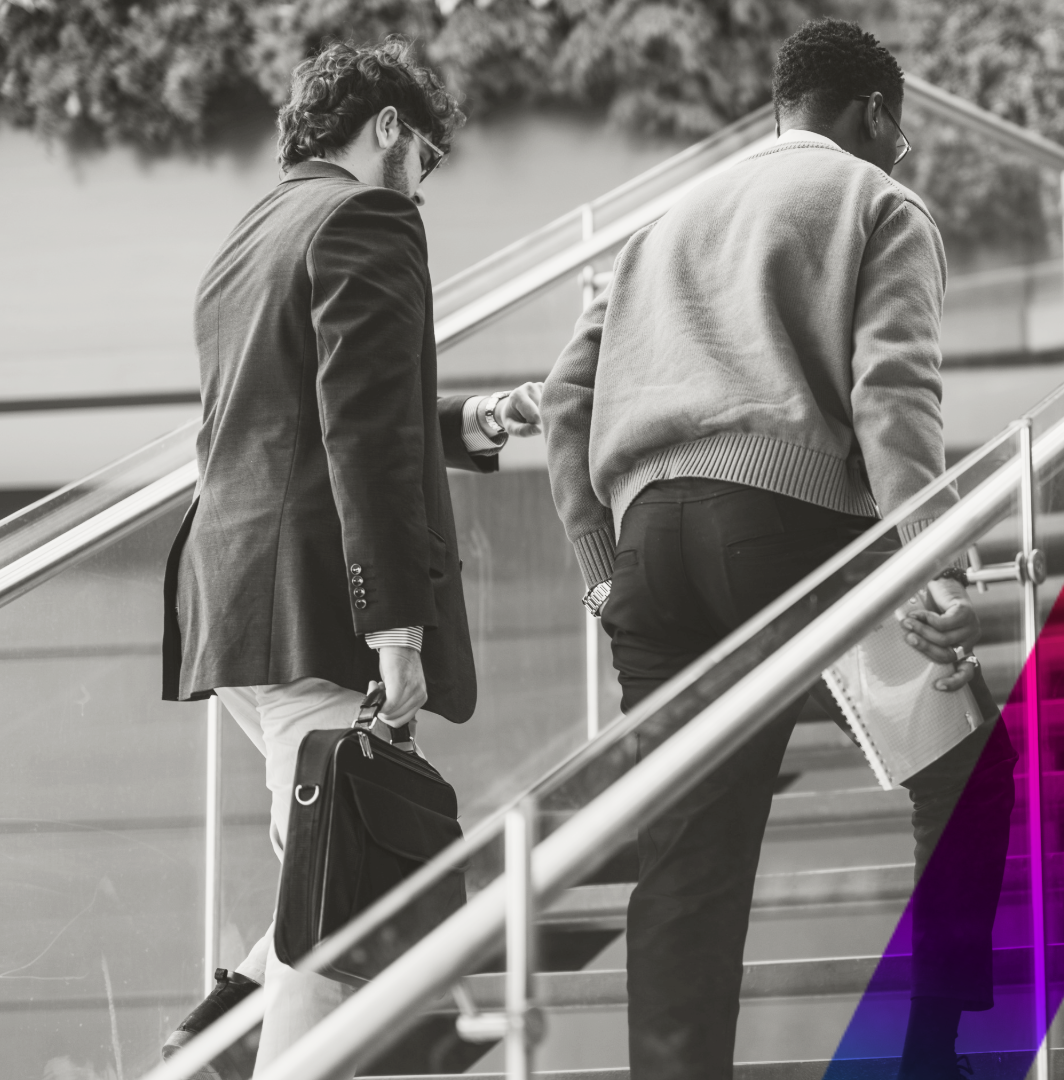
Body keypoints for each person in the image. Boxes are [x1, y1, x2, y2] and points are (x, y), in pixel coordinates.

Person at [543, 18, 1015, 1080]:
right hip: (787, 528)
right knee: (970, 768)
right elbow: (894, 397)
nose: (903, 153)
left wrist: (601, 565)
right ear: (876, 114)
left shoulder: (658, 223)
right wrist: (937, 567)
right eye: (900, 131)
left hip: (650, 551)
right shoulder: (877, 201)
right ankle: (933, 1057)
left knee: (686, 858)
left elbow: (566, 400)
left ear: (777, 111)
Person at [157, 38, 541, 1078]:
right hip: (318, 611)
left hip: (233, 605)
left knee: (328, 867)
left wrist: (467, 426)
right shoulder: (371, 215)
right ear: (387, 129)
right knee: (339, 921)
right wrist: (395, 628)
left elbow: (301, 415)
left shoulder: (248, 238)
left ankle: (216, 1036)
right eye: (427, 156)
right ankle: (245, 1043)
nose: (425, 180)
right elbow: (359, 434)